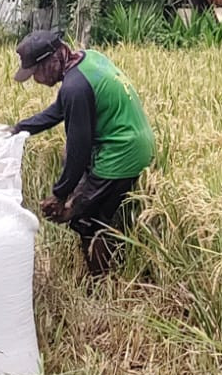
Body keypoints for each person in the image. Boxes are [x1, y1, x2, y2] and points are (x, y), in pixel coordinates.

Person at [11, 30, 155, 275]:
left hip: (121, 153)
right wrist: (18, 129)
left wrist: (60, 195)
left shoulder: (75, 88)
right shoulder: (88, 58)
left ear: (52, 61)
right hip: (135, 140)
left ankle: (99, 282)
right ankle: (103, 271)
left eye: (36, 72)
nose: (35, 79)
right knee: (86, 208)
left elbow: (79, 150)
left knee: (87, 220)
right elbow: (59, 110)